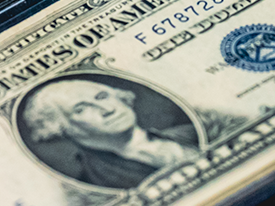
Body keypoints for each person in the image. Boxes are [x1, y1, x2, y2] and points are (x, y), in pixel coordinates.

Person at [20, 78, 198, 188]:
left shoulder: (190, 133)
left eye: (102, 96)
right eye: (81, 109)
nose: (107, 109)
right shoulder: (96, 182)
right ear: (59, 128)